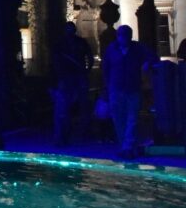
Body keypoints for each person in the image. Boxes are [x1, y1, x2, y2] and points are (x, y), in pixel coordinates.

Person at [101, 24, 156, 159]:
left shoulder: (137, 48)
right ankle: (125, 145)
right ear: (118, 37)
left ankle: (127, 147)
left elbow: (153, 57)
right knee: (119, 119)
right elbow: (105, 69)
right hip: (116, 89)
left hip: (133, 88)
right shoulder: (112, 49)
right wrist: (107, 88)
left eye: (126, 36)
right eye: (122, 35)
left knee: (132, 119)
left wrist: (147, 63)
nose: (124, 38)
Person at [51, 22, 93, 145]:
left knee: (79, 107)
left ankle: (79, 133)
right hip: (67, 78)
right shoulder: (61, 43)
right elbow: (55, 62)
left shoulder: (77, 42)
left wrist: (86, 70)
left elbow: (89, 57)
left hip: (74, 77)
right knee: (64, 109)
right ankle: (64, 135)